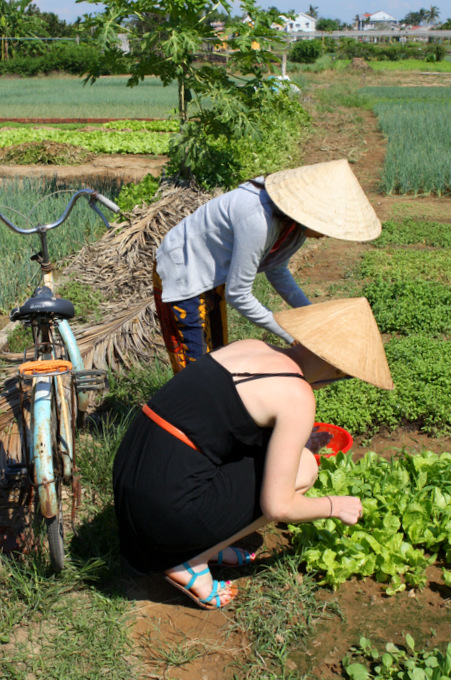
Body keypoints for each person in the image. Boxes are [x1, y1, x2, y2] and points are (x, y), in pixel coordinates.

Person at [113, 297, 394, 610]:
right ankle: (189, 561)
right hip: (164, 511)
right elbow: (279, 507)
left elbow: (224, 423)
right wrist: (335, 506)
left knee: (294, 456)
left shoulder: (251, 346)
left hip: (134, 476)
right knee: (303, 469)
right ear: (337, 370)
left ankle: (202, 542)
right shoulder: (297, 395)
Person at [154, 159, 382, 373]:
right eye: (326, 226)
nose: (326, 235)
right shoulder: (257, 219)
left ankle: (210, 411)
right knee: (196, 367)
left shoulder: (293, 226)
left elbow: (277, 269)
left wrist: (312, 316)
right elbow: (238, 294)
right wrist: (291, 336)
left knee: (216, 357)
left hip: (212, 274)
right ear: (310, 215)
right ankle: (184, 413)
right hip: (182, 271)